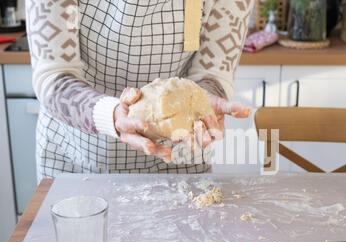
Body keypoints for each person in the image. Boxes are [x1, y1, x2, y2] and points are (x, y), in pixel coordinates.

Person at [26, 0, 254, 179]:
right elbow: (55, 77)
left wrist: (205, 100)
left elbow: (212, 72)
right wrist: (111, 115)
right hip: (76, 160)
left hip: (178, 161)